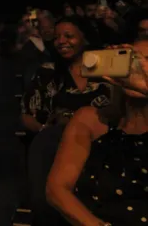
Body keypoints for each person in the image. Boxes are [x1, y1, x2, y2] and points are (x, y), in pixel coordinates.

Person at [46, 39, 148, 225]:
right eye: (132, 61)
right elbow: (57, 190)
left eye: (145, 62)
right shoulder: (91, 119)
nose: (137, 69)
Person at [22, 17, 112, 225]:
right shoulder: (48, 71)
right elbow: (27, 114)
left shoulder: (107, 68)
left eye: (69, 36)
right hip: (56, 140)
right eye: (56, 37)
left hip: (103, 141)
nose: (61, 41)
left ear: (85, 38)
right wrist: (44, 128)